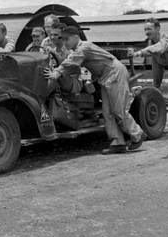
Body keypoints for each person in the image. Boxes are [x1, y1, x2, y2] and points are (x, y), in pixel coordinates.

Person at [44, 26, 146, 155]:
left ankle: (138, 134)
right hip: (105, 76)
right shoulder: (77, 50)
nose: (65, 42)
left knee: (118, 110)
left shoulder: (83, 47)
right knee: (107, 112)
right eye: (63, 40)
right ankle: (117, 142)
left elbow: (70, 62)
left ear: (76, 37)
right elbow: (73, 66)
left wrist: (55, 74)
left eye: (67, 39)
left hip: (114, 73)